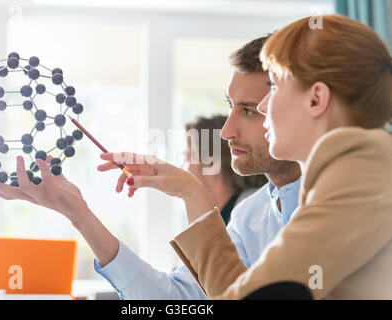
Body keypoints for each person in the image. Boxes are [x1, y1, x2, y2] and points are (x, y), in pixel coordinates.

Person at [0, 36, 302, 300]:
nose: (226, 131)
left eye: (248, 110)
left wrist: (193, 192)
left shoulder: (336, 206)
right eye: (230, 107)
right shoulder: (251, 215)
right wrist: (78, 213)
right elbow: (175, 300)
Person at [152, 14, 391, 299]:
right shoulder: (352, 169)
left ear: (316, 99)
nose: (264, 104)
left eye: (275, 87)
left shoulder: (362, 171)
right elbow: (247, 290)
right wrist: (192, 192)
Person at [185, 115, 267, 225]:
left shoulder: (252, 211)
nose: (185, 168)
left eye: (188, 157)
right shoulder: (221, 216)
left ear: (209, 162)